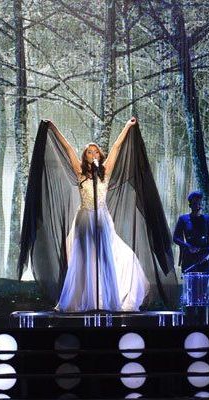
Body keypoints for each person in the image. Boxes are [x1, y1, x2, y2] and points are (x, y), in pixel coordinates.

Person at [18, 118, 178, 312]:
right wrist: (54, 127)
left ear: (99, 155)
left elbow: (117, 148)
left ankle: (108, 299)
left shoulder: (105, 171)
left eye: (95, 151)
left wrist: (127, 126)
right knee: (84, 258)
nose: (92, 153)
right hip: (85, 219)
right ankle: (82, 299)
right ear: (85, 156)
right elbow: (68, 147)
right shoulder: (79, 172)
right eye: (89, 152)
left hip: (102, 218)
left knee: (106, 256)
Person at [173, 191, 209, 324]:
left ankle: (203, 322)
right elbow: (176, 237)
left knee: (202, 292)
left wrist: (207, 254)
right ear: (190, 204)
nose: (197, 204)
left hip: (204, 261)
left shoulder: (207, 219)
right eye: (195, 201)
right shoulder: (183, 219)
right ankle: (190, 322)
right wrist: (188, 246)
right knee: (190, 292)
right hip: (189, 261)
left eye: (199, 201)